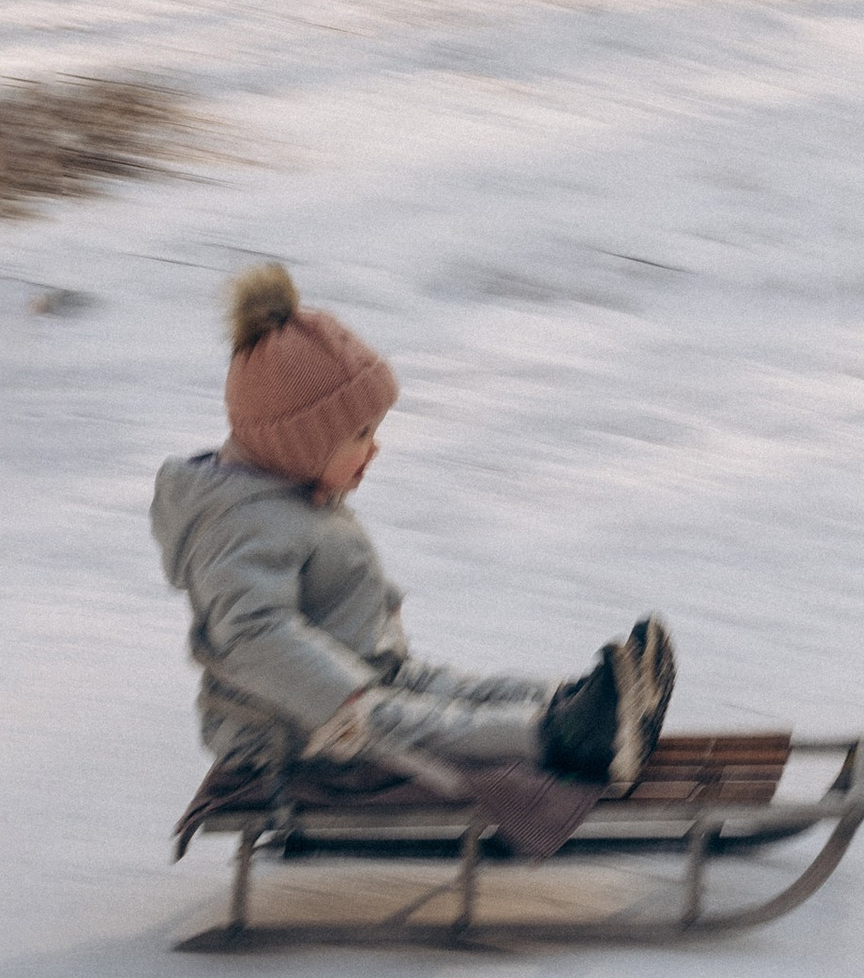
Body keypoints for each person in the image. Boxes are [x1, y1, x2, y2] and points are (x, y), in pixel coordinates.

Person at [153, 264, 676, 800]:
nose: (374, 448)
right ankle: (560, 735)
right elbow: (252, 635)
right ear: (299, 444)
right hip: (293, 725)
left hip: (361, 680)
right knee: (434, 725)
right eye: (360, 433)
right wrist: (344, 697)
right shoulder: (239, 522)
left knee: (458, 690)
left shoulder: (282, 499)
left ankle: (579, 701)